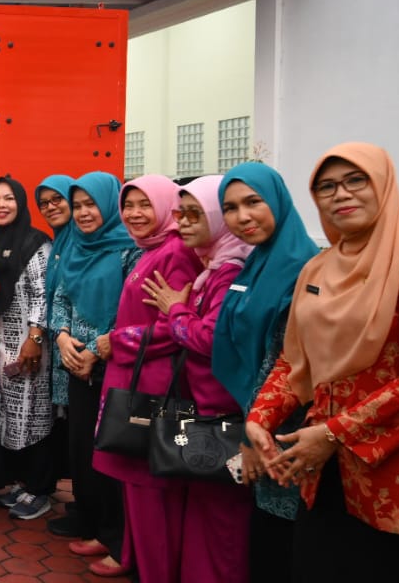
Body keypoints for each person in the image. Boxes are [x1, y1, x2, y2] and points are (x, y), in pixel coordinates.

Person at [246, 143, 399, 581]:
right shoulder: (317, 270)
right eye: (326, 186)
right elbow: (296, 360)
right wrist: (260, 419)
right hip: (322, 471)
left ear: (384, 186)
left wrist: (336, 433)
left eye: (356, 180)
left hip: (391, 471)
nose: (340, 194)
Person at [140, 175, 254, 582]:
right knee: (203, 511)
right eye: (180, 214)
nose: (183, 223)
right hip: (204, 406)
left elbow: (209, 338)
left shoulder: (230, 271)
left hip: (224, 414)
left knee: (222, 522)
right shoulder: (212, 266)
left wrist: (175, 311)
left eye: (194, 214)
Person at [93, 174, 203, 581]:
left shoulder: (175, 253)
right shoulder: (152, 249)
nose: (135, 214)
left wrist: (116, 341)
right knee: (136, 489)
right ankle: (135, 560)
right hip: (134, 377)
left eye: (145, 205)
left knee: (151, 491)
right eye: (129, 205)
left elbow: (174, 326)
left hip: (152, 386)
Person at [213, 162, 318, 583]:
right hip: (256, 422)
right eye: (231, 208)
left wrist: (256, 431)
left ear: (277, 199)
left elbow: (286, 359)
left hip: (289, 433)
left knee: (285, 541)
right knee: (266, 537)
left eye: (253, 202)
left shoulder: (303, 268)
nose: (242, 217)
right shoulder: (257, 262)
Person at [49, 172, 135, 575]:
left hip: (114, 365)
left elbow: (132, 310)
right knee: (85, 450)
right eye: (78, 205)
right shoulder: (77, 247)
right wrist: (63, 336)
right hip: (75, 362)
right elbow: (62, 296)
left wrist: (98, 351)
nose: (84, 213)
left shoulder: (128, 251)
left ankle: (120, 538)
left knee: (114, 453)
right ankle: (100, 527)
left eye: (91, 204)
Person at [0, 176, 54, 520]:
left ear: (20, 203)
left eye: (8, 198)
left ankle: (41, 489)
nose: (1, 205)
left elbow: (44, 292)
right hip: (1, 345)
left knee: (35, 414)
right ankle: (22, 483)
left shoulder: (35, 243)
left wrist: (35, 337)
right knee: (12, 416)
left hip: (30, 345)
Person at [35, 175, 80, 537]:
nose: (51, 207)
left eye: (58, 200)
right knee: (73, 430)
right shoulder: (60, 244)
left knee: (84, 432)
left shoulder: (81, 241)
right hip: (63, 346)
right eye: (44, 203)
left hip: (83, 351)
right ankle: (85, 503)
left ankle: (90, 509)